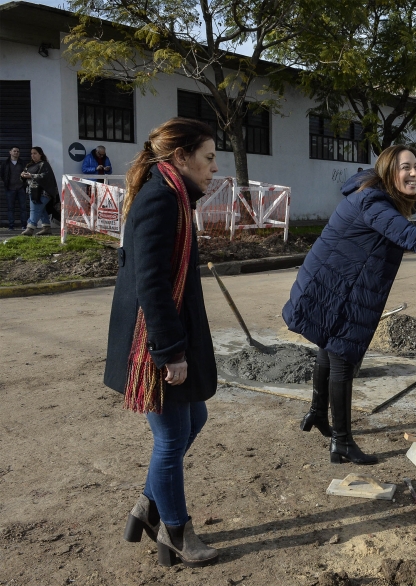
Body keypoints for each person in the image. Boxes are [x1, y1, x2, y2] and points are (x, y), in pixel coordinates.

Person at [283, 145, 416, 465]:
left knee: (327, 350)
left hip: (329, 283)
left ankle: (317, 413)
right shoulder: (374, 202)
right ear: (387, 171)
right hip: (341, 291)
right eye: (404, 168)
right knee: (341, 360)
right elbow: (413, 237)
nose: (414, 173)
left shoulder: (368, 193)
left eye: (415, 167)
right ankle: (341, 441)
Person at [104, 118, 220, 568]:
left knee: (195, 418)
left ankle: (146, 507)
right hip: (153, 340)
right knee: (171, 438)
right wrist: (170, 352)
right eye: (208, 158)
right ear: (181, 158)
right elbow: (150, 283)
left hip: (168, 333)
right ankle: (176, 533)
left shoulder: (171, 194)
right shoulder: (160, 198)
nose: (214, 168)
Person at [20, 147, 59, 236]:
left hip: (43, 193)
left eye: (35, 153)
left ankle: (30, 228)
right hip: (32, 192)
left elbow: (46, 176)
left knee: (35, 210)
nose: (32, 155)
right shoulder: (29, 165)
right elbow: (24, 178)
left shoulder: (44, 164)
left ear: (40, 154)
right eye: (31, 153)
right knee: (41, 210)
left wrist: (32, 175)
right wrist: (22, 175)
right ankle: (46, 228)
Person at [1, 146, 28, 230]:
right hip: (10, 188)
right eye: (14, 151)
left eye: (18, 151)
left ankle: (24, 225)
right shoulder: (5, 163)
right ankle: (11, 225)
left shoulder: (22, 163)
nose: (16, 153)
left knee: (23, 207)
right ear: (10, 152)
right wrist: (7, 183)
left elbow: (26, 173)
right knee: (10, 208)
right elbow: (2, 174)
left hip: (21, 188)